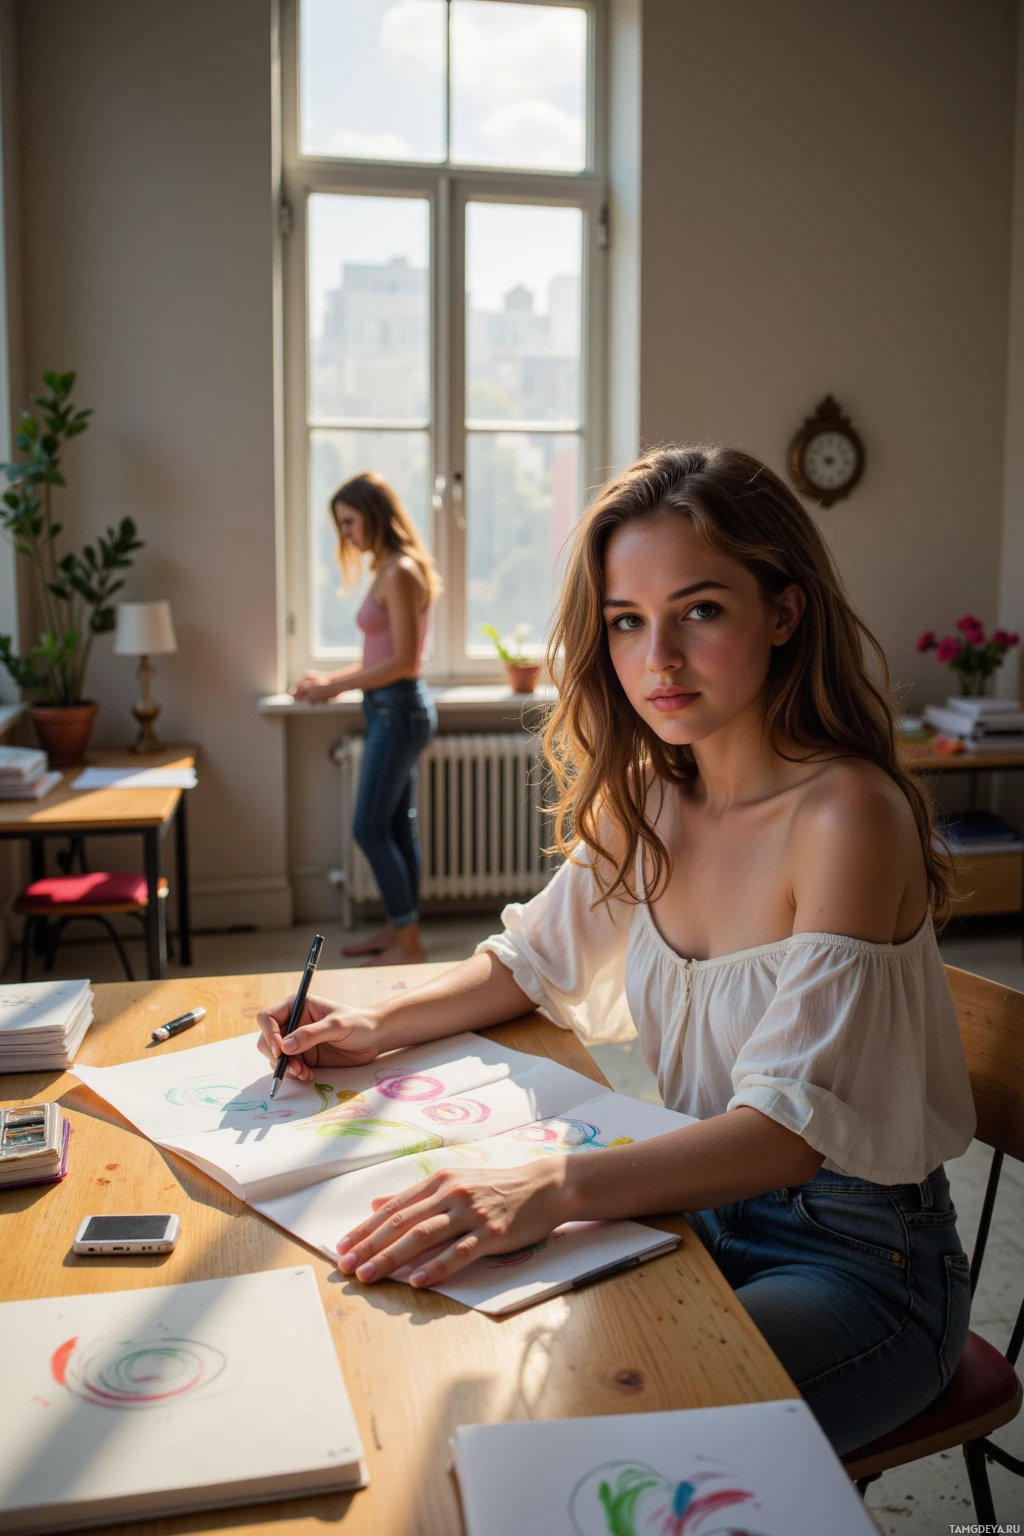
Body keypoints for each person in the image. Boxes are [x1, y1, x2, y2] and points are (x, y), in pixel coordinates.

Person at [264, 446, 976, 1454]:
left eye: (700, 611)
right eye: (627, 622)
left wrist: (549, 1184)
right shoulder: (650, 794)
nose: (659, 661)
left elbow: (786, 1131)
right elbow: (527, 962)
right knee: (443, 1346)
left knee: (585, 1427)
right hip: (695, 1205)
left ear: (782, 611)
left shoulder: (845, 813)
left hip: (860, 1265)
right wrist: (364, 1021)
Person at [292, 471, 440, 965]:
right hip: (388, 709)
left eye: (350, 522)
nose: (347, 534)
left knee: (369, 829)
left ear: (374, 515)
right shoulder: (390, 567)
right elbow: (382, 656)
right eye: (341, 525)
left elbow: (403, 662)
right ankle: (401, 933)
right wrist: (328, 679)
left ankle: (410, 945)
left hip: (399, 709)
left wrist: (333, 687)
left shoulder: (400, 570)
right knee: (397, 829)